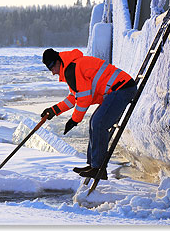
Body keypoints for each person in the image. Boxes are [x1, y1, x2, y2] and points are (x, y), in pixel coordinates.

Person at [40, 48, 137, 180]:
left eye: (51, 67)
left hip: (122, 88)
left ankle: (98, 169)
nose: (52, 72)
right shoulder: (71, 68)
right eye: (49, 69)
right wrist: (54, 110)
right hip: (115, 90)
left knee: (98, 123)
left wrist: (74, 120)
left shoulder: (72, 69)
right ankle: (93, 165)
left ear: (58, 61)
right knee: (94, 122)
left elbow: (84, 98)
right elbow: (74, 97)